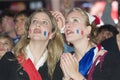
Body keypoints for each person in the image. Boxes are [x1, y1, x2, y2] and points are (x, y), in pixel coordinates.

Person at [0, 8, 64, 80]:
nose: (37, 24)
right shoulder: (10, 59)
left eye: (44, 22)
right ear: (28, 32)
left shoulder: (57, 66)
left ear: (52, 34)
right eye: (34, 21)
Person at [60, 7, 120, 80]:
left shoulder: (106, 60)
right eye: (66, 22)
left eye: (75, 20)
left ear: (88, 30)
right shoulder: (65, 60)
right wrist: (66, 77)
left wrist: (75, 74)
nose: (68, 25)